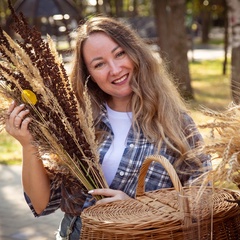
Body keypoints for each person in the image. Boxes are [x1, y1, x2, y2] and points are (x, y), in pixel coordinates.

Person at [5, 16, 211, 240]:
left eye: (119, 53)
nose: (114, 69)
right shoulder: (77, 123)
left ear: (135, 53)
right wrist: (28, 144)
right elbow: (42, 204)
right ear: (89, 75)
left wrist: (139, 210)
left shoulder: (176, 123)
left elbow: (203, 200)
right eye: (99, 64)